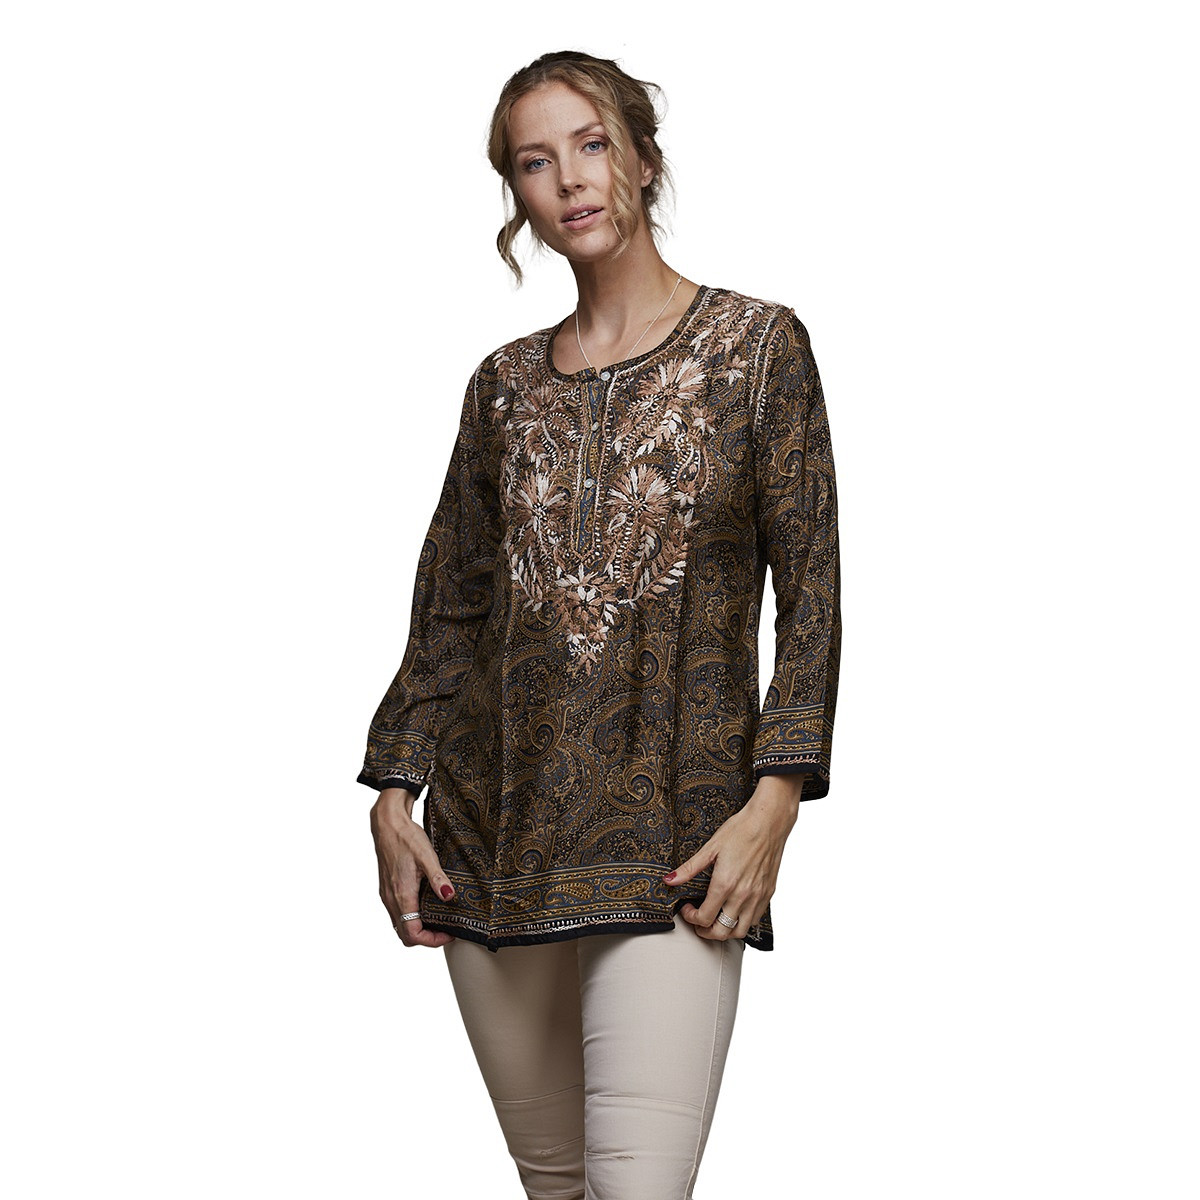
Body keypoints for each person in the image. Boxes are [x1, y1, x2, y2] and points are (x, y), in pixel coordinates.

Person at [358, 49, 841, 1199]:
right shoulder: (503, 386)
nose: (569, 179)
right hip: (489, 848)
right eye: (535, 162)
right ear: (515, 195)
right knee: (555, 1188)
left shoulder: (757, 349)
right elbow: (452, 603)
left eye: (590, 144)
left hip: (676, 844)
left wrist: (777, 800)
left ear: (642, 158)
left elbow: (813, 595)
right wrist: (391, 794)